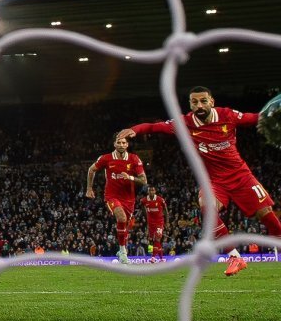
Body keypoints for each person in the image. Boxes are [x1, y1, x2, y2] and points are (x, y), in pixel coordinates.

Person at [118, 86, 281, 276]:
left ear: (212, 101)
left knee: (266, 215)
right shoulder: (185, 122)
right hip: (214, 181)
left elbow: (253, 118)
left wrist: (271, 114)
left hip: (241, 176)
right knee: (206, 206)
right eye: (194, 102)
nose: (199, 105)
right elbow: (156, 127)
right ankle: (235, 257)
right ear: (190, 104)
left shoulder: (227, 115)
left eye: (203, 100)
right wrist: (135, 130)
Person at [86, 136, 147, 264]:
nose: (121, 144)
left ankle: (121, 250)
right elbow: (91, 170)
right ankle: (123, 252)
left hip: (129, 199)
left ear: (127, 144)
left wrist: (130, 177)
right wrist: (89, 188)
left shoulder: (134, 158)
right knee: (122, 218)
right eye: (118, 142)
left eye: (123, 142)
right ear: (114, 144)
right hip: (111, 196)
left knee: (125, 225)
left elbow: (143, 180)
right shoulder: (106, 158)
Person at [140, 185, 169, 263]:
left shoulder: (160, 200)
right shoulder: (144, 200)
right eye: (150, 190)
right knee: (156, 241)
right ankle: (161, 259)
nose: (151, 192)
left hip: (159, 222)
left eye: (153, 190)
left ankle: (153, 258)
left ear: (155, 191)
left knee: (157, 238)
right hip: (151, 223)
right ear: (148, 191)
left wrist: (167, 222)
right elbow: (141, 205)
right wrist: (146, 216)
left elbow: (166, 210)